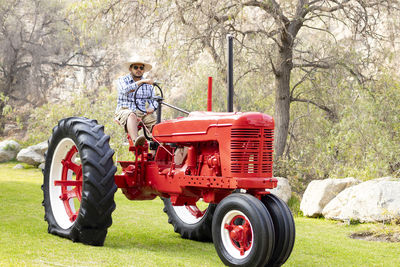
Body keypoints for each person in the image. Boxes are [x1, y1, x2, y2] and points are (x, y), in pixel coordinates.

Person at [114, 58, 157, 146]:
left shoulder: (148, 85)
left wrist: (151, 108)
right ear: (130, 69)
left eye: (141, 68)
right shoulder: (122, 80)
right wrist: (141, 82)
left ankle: (156, 150)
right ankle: (136, 142)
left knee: (157, 123)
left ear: (143, 71)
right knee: (131, 115)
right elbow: (125, 90)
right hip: (124, 110)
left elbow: (154, 99)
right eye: (136, 67)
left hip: (142, 112)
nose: (139, 70)